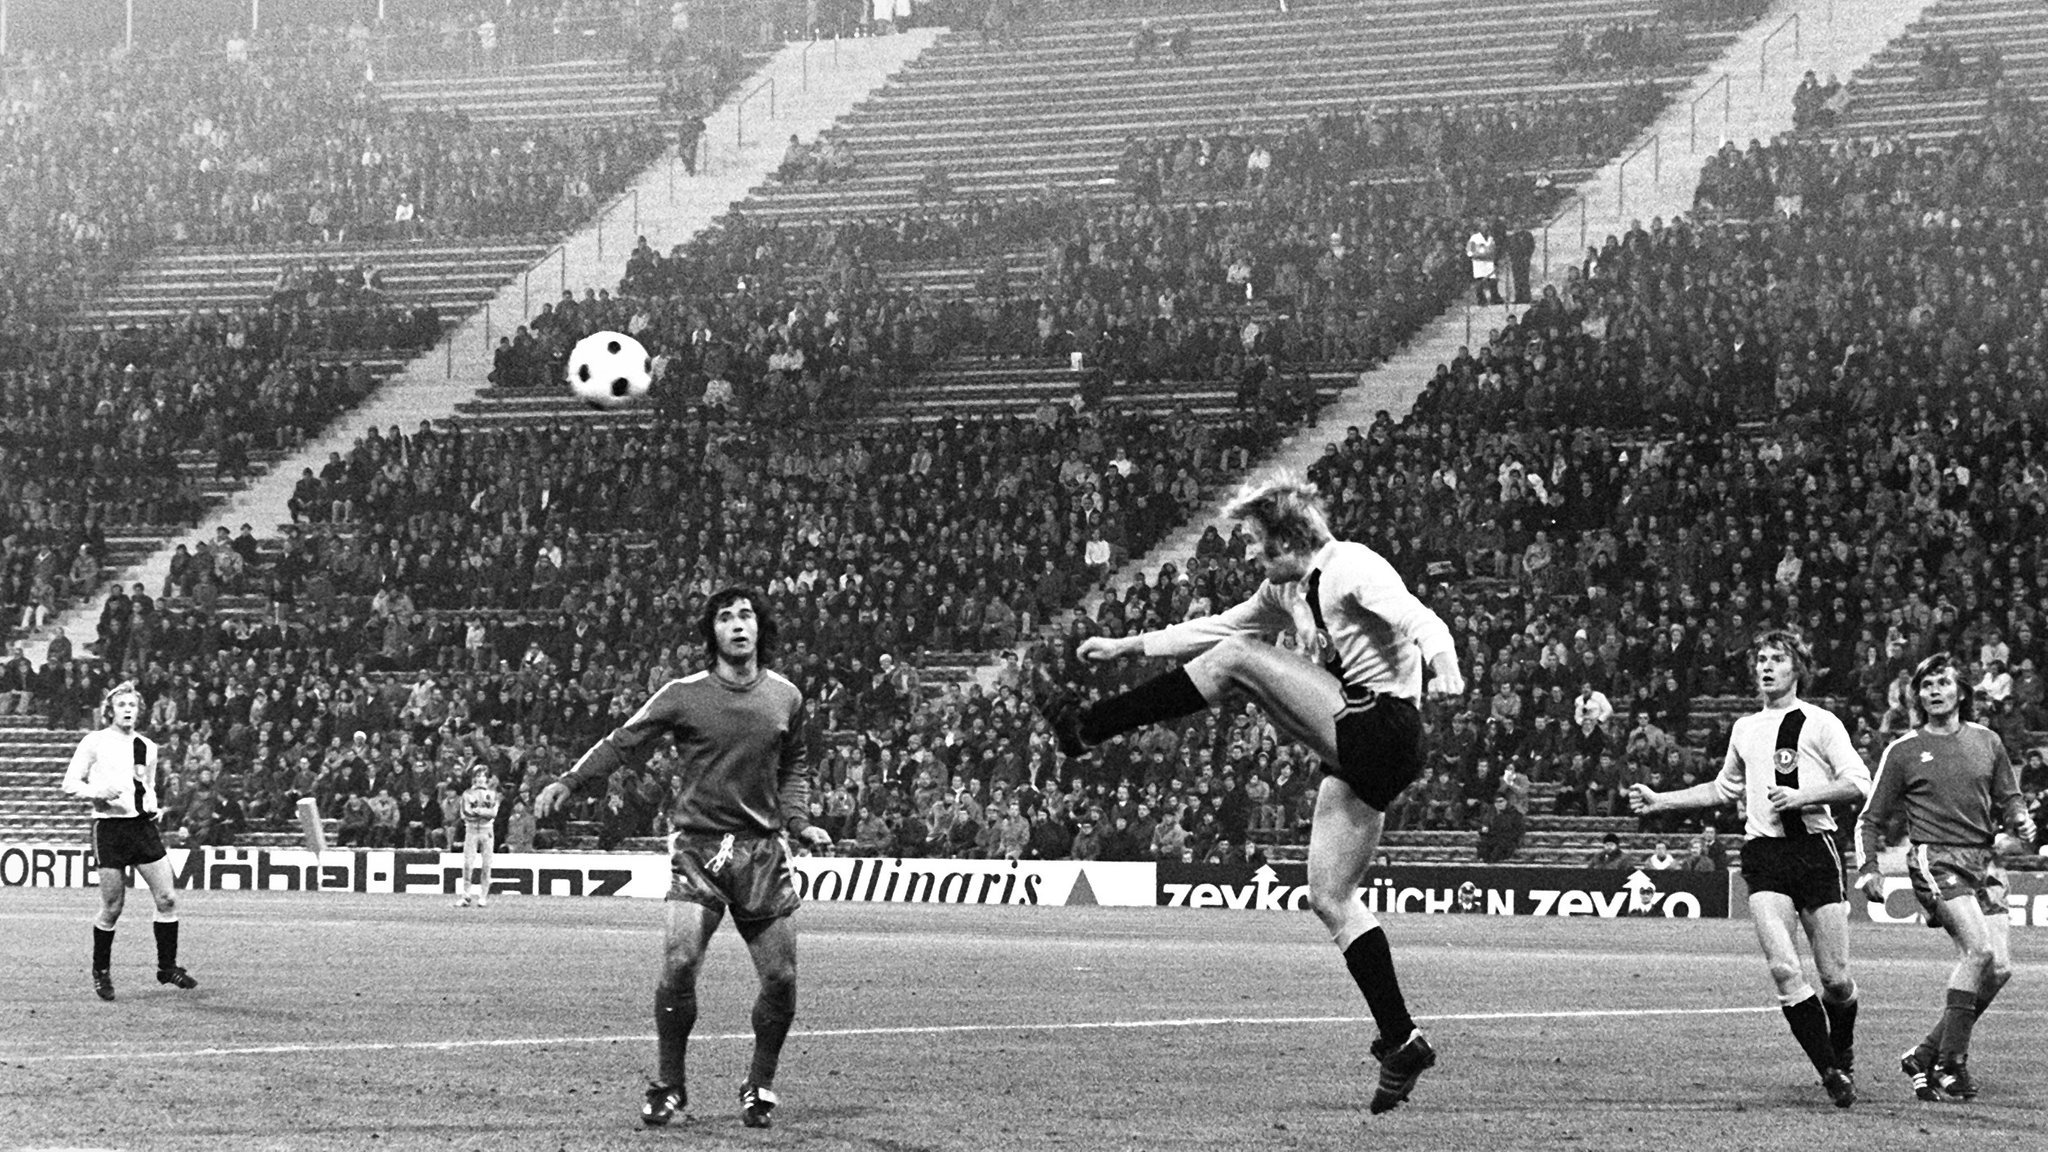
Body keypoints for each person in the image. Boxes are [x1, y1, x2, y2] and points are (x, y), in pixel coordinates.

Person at [1035, 471, 1465, 1114]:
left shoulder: (1352, 567)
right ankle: (1402, 1037)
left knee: (1239, 659)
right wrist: (1128, 644)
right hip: (1365, 749)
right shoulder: (1286, 588)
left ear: (1293, 539)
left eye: (1264, 547)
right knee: (1330, 898)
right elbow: (1212, 628)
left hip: (1385, 724)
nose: (1258, 560)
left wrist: (1447, 666)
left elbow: (1418, 618)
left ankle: (1083, 731)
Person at [536, 587, 833, 1130]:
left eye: (746, 616)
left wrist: (799, 822)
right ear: (712, 634)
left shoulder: (786, 697)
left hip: (762, 852)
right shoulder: (683, 694)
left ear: (760, 629)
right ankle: (670, 1085)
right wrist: (571, 780)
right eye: (725, 618)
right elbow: (624, 741)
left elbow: (795, 766)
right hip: (697, 848)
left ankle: (759, 1084)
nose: (738, 625)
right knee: (678, 963)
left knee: (782, 979)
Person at [1631, 630, 1870, 1108]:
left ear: (1796, 668)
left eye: (1777, 659)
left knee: (1837, 981)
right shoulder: (1745, 728)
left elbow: (1858, 782)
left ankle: (1840, 1048)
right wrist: (1663, 801)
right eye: (1761, 658)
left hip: (1816, 851)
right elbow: (1724, 789)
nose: (1766, 666)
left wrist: (1804, 796)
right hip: (1764, 854)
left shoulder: (1821, 723)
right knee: (1784, 969)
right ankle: (1830, 1073)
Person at [1854, 653, 2037, 1103]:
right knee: (1977, 952)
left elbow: (2009, 798)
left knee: (1999, 969)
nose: (1934, 691)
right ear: (1917, 696)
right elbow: (1869, 819)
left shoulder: (1988, 741)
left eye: (1942, 683)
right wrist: (1869, 868)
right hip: (1937, 860)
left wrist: (2021, 820)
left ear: (1961, 692)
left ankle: (1925, 1053)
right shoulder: (1904, 750)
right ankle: (1952, 1066)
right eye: (1926, 685)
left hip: (1986, 860)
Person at [59, 681, 198, 1001]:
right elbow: (69, 784)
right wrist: (96, 792)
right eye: (121, 706)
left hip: (142, 828)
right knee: (112, 906)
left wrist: (153, 805)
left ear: (139, 712)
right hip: (109, 829)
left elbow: (145, 786)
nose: (127, 711)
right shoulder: (94, 741)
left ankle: (167, 967)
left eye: (132, 706)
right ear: (110, 710)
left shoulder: (147, 747)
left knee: (167, 900)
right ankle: (101, 972)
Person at [455, 768, 500, 907]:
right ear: (474, 778)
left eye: (483, 776)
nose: (480, 778)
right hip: (471, 830)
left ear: (487, 779)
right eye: (478, 775)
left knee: (486, 864)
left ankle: (483, 896)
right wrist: (484, 813)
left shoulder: (492, 794)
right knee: (468, 863)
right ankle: (466, 894)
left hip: (487, 831)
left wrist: (478, 811)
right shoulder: (467, 794)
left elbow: (493, 813)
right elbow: (465, 813)